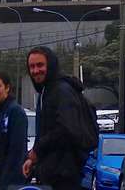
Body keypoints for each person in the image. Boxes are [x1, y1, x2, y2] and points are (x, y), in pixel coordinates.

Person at [21, 46, 97, 190]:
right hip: (53, 172)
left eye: (40, 65)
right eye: (32, 66)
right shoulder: (47, 91)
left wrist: (38, 150)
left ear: (50, 65)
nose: (36, 71)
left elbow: (66, 129)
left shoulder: (61, 91)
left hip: (65, 176)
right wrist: (33, 159)